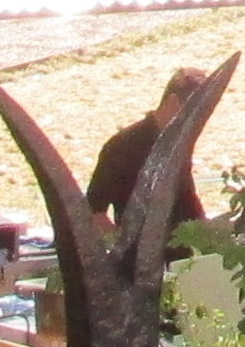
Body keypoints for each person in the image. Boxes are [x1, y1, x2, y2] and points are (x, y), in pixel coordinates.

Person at [86, 68, 212, 235]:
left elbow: (187, 200)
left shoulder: (180, 143)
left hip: (183, 254)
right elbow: (94, 213)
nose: (197, 122)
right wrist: (123, 250)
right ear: (173, 102)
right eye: (193, 114)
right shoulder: (122, 146)